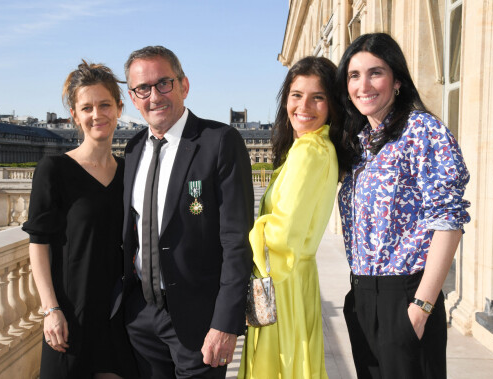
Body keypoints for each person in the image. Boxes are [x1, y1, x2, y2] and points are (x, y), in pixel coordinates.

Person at [335, 33, 471, 379]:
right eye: (354, 75)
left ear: (397, 81)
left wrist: (421, 307)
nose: (363, 85)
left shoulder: (422, 130)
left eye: (375, 73)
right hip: (362, 297)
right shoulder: (360, 143)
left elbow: (449, 220)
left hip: (406, 296)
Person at [121, 45, 254, 379]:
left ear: (184, 85)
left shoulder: (220, 141)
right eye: (143, 89)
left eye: (163, 83)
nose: (154, 96)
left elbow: (236, 241)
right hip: (141, 316)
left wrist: (226, 323)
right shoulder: (134, 149)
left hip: (199, 321)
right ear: (133, 97)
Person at [23, 61, 138, 379]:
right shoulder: (54, 170)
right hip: (71, 315)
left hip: (120, 317)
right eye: (86, 107)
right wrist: (51, 310)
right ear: (74, 115)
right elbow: (39, 244)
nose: (97, 114)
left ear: (119, 108)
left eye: (105, 105)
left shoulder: (132, 172)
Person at [238, 56, 341, 379]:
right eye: (296, 95)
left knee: (275, 367)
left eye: (318, 97)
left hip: (281, 282)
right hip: (297, 278)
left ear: (332, 104)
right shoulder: (319, 146)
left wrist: (243, 237)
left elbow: (281, 235)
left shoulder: (309, 151)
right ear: (285, 100)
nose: (304, 105)